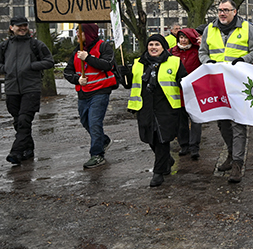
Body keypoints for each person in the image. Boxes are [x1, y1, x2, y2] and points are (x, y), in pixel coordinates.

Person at [198, 0, 253, 183]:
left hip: (238, 82)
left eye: (226, 10)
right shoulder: (209, 29)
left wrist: (243, 60)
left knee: (238, 123)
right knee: (223, 123)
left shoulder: (246, 28)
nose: (222, 13)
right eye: (219, 10)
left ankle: (237, 164)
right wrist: (208, 62)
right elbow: (202, 53)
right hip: (218, 83)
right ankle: (231, 154)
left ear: (235, 11)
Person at [128, 34, 188, 187]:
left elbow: (184, 81)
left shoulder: (174, 61)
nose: (153, 47)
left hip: (166, 107)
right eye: (151, 44)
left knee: (162, 139)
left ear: (163, 47)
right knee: (150, 138)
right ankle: (166, 159)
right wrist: (123, 74)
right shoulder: (138, 63)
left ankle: (158, 172)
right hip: (145, 107)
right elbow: (130, 83)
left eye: (157, 44)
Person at [1, 16, 54, 165]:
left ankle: (16, 152)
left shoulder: (36, 44)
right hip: (11, 89)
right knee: (18, 122)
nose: (23, 28)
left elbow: (49, 61)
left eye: (25, 25)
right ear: (12, 27)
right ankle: (29, 149)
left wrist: (31, 66)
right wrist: (7, 68)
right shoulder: (4, 46)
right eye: (19, 26)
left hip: (31, 88)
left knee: (24, 120)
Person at [64, 23, 117, 169]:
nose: (77, 35)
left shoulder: (103, 47)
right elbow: (67, 71)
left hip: (100, 91)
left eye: (80, 32)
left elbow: (107, 64)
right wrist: (77, 79)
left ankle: (97, 154)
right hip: (83, 92)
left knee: (94, 122)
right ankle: (103, 140)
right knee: (85, 121)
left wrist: (88, 58)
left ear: (88, 33)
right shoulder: (77, 51)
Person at [169, 27, 203, 159]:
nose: (183, 40)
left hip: (195, 91)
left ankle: (194, 146)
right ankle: (184, 145)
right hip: (178, 91)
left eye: (185, 38)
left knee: (196, 120)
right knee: (180, 121)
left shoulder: (198, 51)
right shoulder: (171, 52)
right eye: (181, 37)